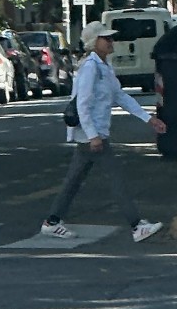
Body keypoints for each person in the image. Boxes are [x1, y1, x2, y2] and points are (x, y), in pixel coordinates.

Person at [41, 21, 167, 242]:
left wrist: (148, 119)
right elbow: (83, 104)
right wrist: (93, 135)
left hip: (94, 133)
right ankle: (136, 225)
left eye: (111, 38)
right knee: (115, 179)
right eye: (106, 38)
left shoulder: (104, 65)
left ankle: (52, 221)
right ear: (94, 42)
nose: (111, 41)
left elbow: (120, 96)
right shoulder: (90, 67)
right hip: (92, 134)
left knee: (74, 179)